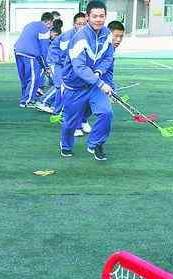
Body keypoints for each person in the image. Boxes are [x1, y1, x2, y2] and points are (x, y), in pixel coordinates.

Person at [60, 1, 114, 161]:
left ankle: (95, 144)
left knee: (106, 112)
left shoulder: (107, 34)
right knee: (70, 123)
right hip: (74, 86)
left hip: (93, 84)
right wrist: (101, 83)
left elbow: (108, 57)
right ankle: (66, 145)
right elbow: (79, 68)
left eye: (102, 16)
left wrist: (98, 72)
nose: (99, 19)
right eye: (95, 16)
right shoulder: (79, 37)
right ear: (87, 17)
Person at [36, 12, 86, 118]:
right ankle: (44, 102)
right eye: (79, 24)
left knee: (65, 85)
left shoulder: (85, 35)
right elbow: (64, 55)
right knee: (60, 84)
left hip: (65, 63)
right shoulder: (68, 36)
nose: (81, 26)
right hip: (55, 62)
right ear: (74, 24)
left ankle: (57, 108)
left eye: (84, 24)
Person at [13, 12, 54, 108]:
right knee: (34, 78)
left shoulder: (30, 24)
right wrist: (46, 67)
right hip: (30, 53)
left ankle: (25, 97)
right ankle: (27, 101)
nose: (52, 26)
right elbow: (44, 50)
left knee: (24, 77)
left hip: (17, 51)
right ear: (49, 21)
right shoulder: (45, 29)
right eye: (52, 23)